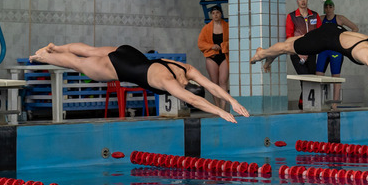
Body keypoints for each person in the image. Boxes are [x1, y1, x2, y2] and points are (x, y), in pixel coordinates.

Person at [250, 21, 368, 118]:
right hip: (325, 40)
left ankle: (269, 57)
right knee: (288, 48)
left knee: (292, 43)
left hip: (334, 30)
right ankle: (262, 53)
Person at [30, 42, 250, 123]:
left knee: (91, 50)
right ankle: (43, 56)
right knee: (78, 64)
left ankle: (55, 47)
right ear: (183, 88)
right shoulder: (169, 83)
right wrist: (220, 112)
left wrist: (232, 101)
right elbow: (193, 98)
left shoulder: (187, 70)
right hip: (119, 68)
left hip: (130, 53)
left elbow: (211, 86)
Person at [315, 0, 358, 104]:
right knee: (318, 76)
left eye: (330, 7)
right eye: (326, 7)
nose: (328, 9)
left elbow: (355, 28)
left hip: (336, 52)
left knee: (336, 78)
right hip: (323, 51)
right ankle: (318, 103)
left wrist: (346, 42)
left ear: (334, 8)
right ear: (324, 8)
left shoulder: (339, 18)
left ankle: (335, 104)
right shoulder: (320, 19)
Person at [196, 5, 229, 109]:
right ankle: (217, 107)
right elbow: (200, 43)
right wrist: (211, 46)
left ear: (221, 14)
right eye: (213, 13)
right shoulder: (207, 28)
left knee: (223, 81)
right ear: (211, 15)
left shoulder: (227, 26)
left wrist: (223, 45)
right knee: (214, 83)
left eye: (217, 13)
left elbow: (233, 40)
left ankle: (223, 107)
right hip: (212, 57)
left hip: (224, 56)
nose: (215, 15)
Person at [284, 0, 322, 76]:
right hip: (297, 53)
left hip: (311, 52)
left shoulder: (314, 15)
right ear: (297, 1)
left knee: (312, 79)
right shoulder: (292, 16)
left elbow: (320, 33)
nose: (303, 1)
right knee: (304, 79)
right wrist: (298, 53)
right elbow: (289, 37)